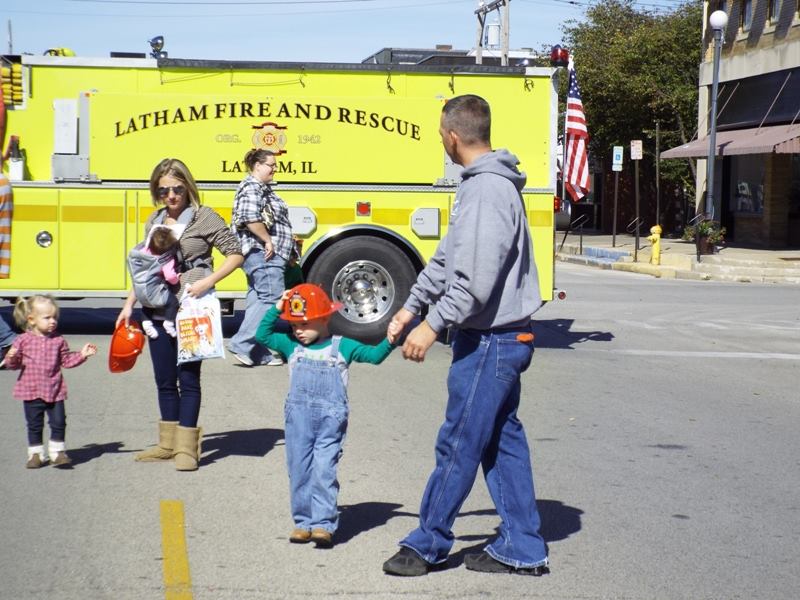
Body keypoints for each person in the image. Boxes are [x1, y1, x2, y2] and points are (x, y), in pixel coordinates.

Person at [381, 95, 549, 576]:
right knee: (501, 442)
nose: (441, 140)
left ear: (453, 136)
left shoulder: (487, 190)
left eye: (441, 134)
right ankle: (522, 546)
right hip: (502, 339)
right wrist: (410, 307)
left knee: (458, 443)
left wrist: (432, 324)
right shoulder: (482, 186)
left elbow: (475, 280)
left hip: (492, 341)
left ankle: (426, 544)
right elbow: (447, 257)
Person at [116, 158, 243, 471]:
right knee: (164, 379)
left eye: (176, 189)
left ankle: (186, 449)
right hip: (156, 307)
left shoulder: (204, 216)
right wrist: (129, 304)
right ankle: (167, 444)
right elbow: (144, 268)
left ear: (188, 187)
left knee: (188, 378)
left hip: (192, 306)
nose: (171, 196)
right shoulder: (155, 219)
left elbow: (236, 254)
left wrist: (207, 282)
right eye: (163, 191)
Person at [255, 283, 398, 548]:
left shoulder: (343, 346)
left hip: (330, 423)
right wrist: (277, 308)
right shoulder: (289, 345)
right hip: (298, 421)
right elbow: (262, 334)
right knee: (298, 470)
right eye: (293, 326)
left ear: (324, 319)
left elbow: (374, 356)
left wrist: (390, 339)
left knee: (323, 471)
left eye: (304, 324)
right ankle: (303, 523)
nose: (298, 331)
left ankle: (323, 524)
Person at [4, 295, 97, 468]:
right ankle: (36, 454)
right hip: (31, 390)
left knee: (59, 422)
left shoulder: (58, 340)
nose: (52, 321)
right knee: (34, 424)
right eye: (47, 318)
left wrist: (82, 355)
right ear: (31, 320)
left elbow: (66, 361)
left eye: (54, 317)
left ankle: (57, 452)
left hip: (55, 390)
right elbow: (13, 365)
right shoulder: (22, 340)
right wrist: (11, 357)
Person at [228, 148, 295, 367]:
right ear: (257, 166)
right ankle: (241, 343)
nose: (275, 169)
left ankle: (256, 352)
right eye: (271, 165)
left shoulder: (263, 189)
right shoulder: (251, 187)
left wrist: (289, 252)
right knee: (272, 298)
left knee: (258, 300)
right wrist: (268, 240)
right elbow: (250, 218)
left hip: (267, 254)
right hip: (262, 253)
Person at [138, 226, 181, 339]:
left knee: (147, 305)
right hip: (155, 291)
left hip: (141, 290)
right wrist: (177, 279)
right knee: (173, 302)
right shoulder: (166, 259)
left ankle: (146, 322)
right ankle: (168, 323)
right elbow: (170, 277)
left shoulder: (143, 252)